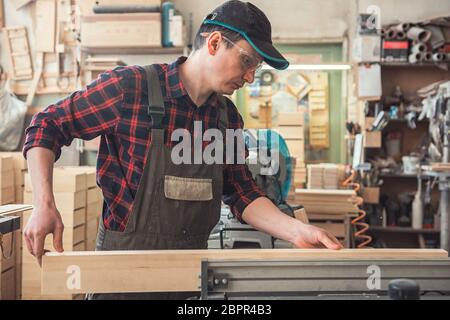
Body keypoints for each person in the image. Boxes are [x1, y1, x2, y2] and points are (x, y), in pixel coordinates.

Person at [23, 0, 343, 299]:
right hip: (121, 278)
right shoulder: (131, 89)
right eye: (247, 61)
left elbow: (242, 192)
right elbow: (47, 125)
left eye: (256, 68)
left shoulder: (226, 118)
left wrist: (297, 231)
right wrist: (44, 204)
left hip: (188, 282)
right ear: (214, 43)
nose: (249, 76)